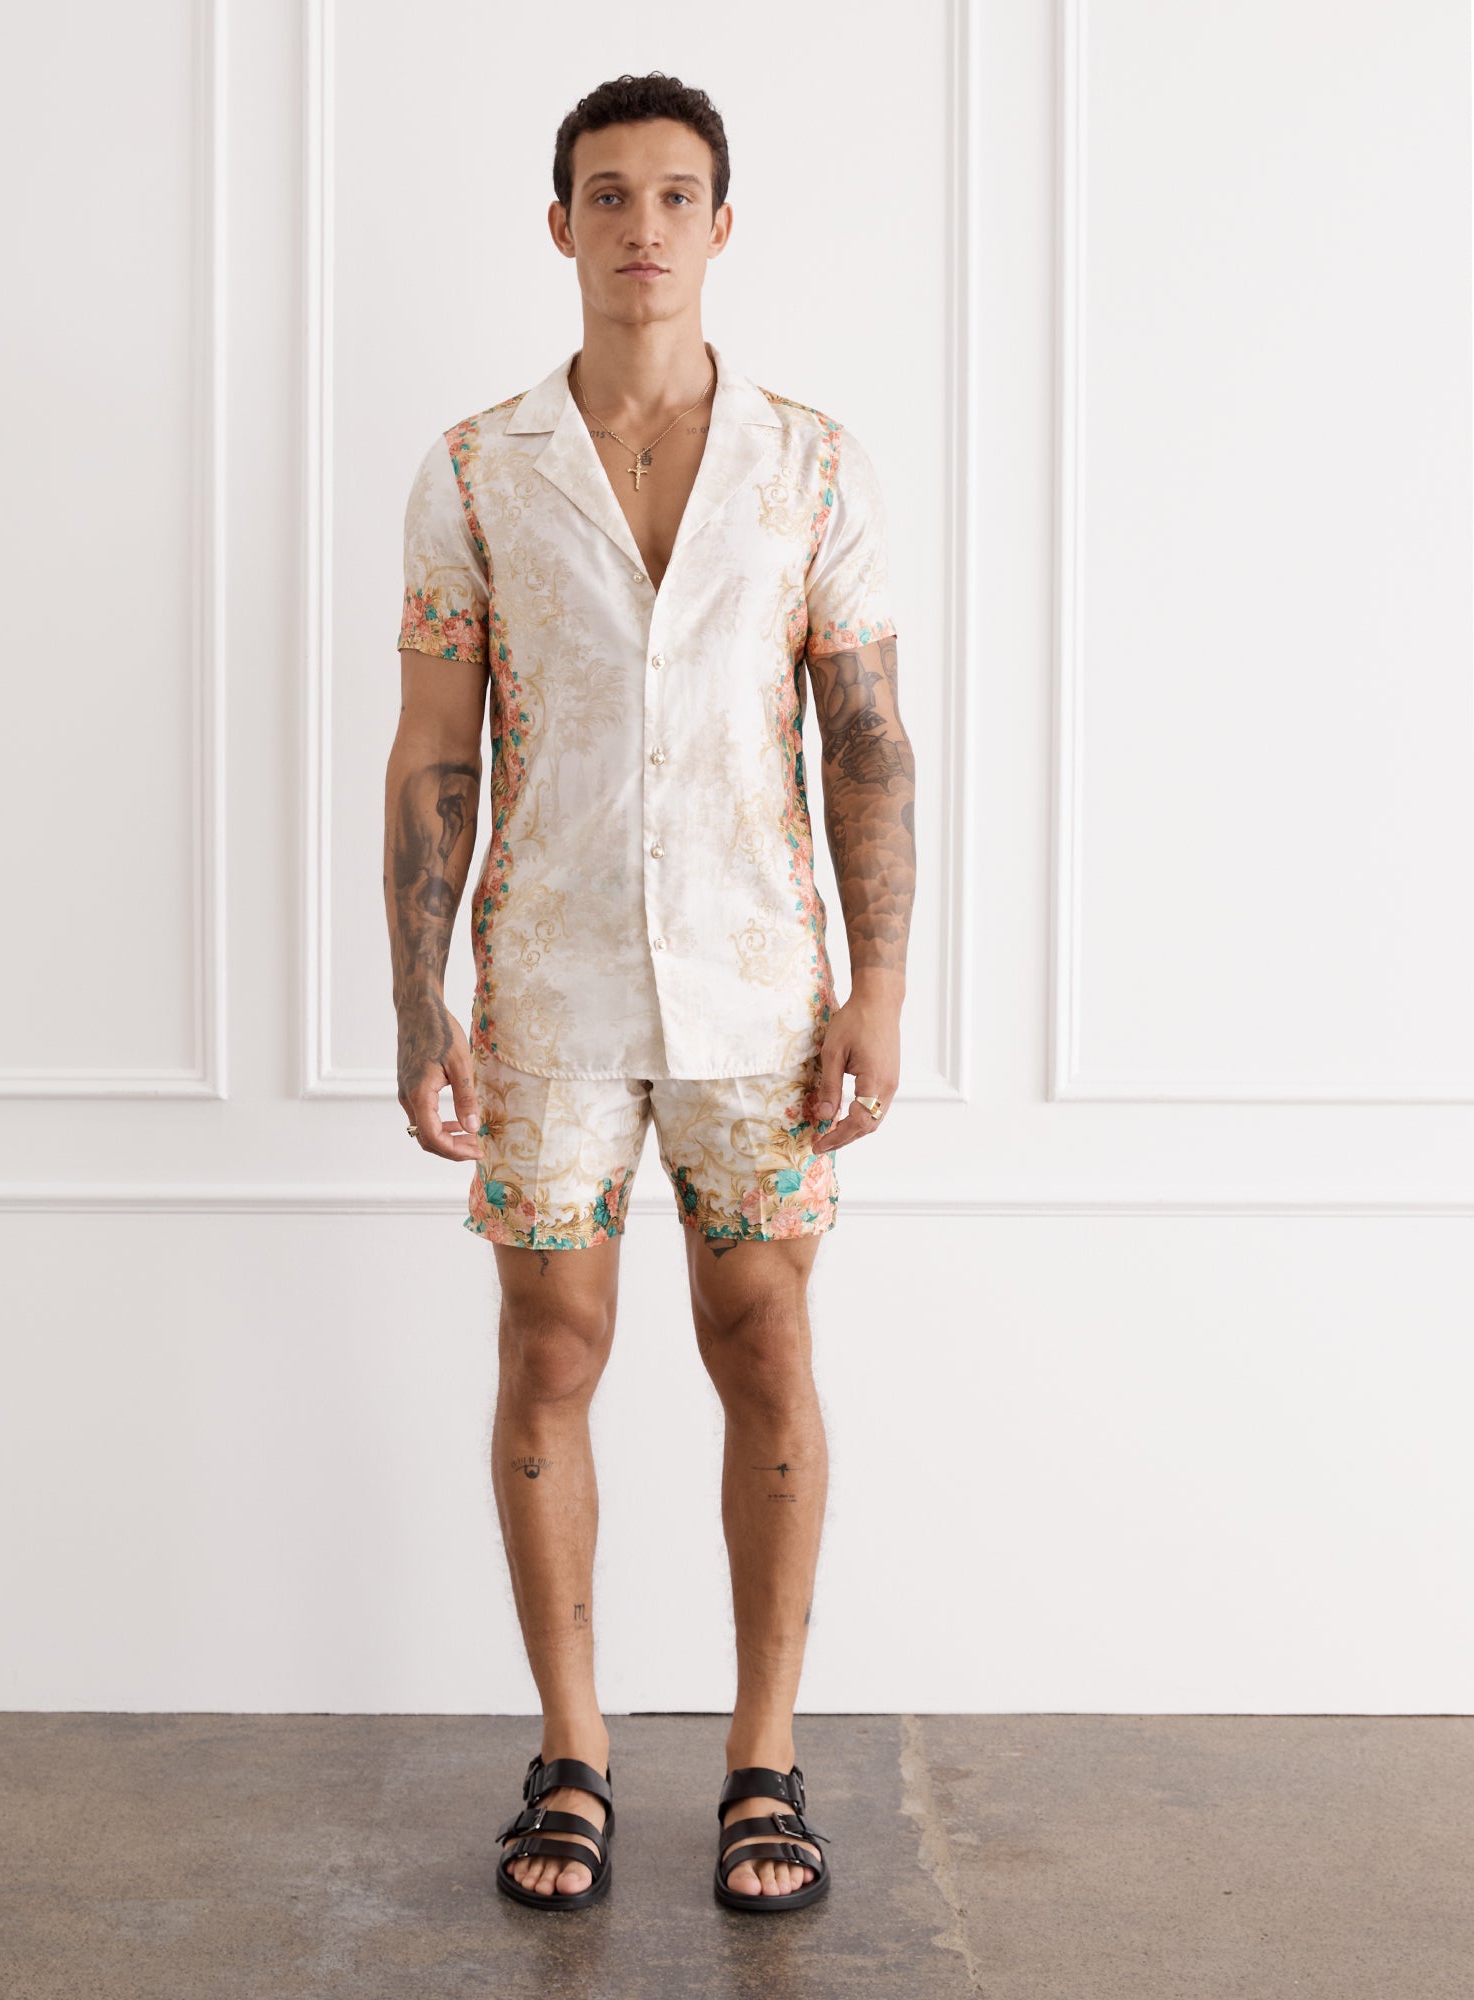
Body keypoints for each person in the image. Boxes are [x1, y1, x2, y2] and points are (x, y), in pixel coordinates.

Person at [383, 70, 916, 1914]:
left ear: (721, 223)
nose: (641, 226)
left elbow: (866, 741)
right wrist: (417, 996)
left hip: (762, 988)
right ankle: (574, 1749)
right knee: (551, 1348)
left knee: (762, 1339)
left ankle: (764, 1759)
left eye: (675, 194)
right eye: (607, 195)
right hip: (547, 989)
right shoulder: (477, 470)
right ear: (561, 225)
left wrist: (880, 988)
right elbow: (434, 749)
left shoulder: (812, 465)